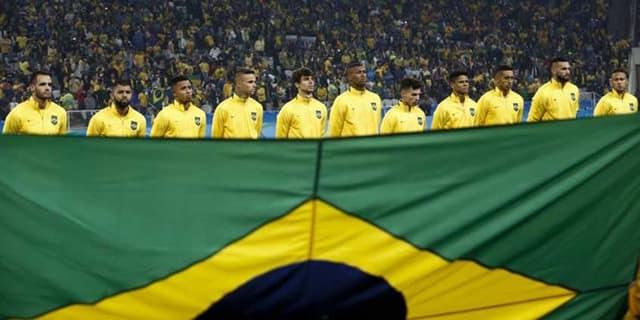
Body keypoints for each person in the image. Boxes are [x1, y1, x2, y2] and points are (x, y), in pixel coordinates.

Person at [3, 70, 67, 135]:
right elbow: (6, 143)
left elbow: (62, 143)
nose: (47, 88)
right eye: (42, 84)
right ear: (32, 87)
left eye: (50, 85)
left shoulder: (60, 112)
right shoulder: (16, 113)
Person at [328, 61, 382, 137]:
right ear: (349, 77)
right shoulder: (341, 101)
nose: (363, 75)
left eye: (364, 72)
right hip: (350, 148)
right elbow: (334, 133)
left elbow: (376, 124)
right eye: (358, 73)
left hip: (372, 147)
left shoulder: (375, 98)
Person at [275, 67, 327, 139]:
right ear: (297, 84)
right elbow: (280, 140)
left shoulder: (321, 108)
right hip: (295, 150)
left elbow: (321, 135)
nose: (310, 82)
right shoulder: (287, 109)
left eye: (311, 79)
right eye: (306, 79)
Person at [212, 68, 264, 139]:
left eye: (255, 82)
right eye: (250, 82)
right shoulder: (222, 108)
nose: (254, 85)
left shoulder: (258, 107)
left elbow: (257, 132)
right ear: (238, 84)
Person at [527, 57, 579, 122]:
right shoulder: (543, 92)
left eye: (569, 69)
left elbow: (575, 113)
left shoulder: (574, 89)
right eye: (564, 69)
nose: (568, 72)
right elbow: (532, 120)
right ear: (553, 71)